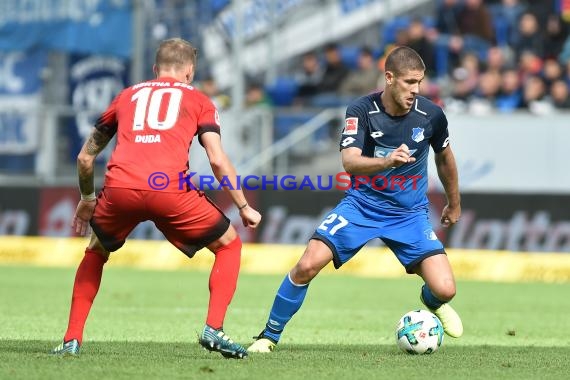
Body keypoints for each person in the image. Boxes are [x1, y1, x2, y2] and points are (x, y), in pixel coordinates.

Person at [51, 38, 261, 359]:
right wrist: (244, 206)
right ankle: (214, 329)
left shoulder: (125, 96)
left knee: (96, 250)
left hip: (120, 188)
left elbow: (84, 159)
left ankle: (71, 340)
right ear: (189, 72)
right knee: (229, 244)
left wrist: (88, 198)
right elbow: (217, 159)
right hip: (169, 190)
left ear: (154, 69)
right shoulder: (200, 100)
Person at [248, 46, 463, 353]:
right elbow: (349, 161)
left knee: (446, 289)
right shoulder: (361, 110)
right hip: (361, 207)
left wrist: (454, 203)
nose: (416, 90)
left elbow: (445, 158)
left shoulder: (431, 115)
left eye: (420, 82)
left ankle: (431, 302)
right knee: (307, 265)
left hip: (409, 214)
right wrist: (387, 161)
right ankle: (268, 336)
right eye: (409, 82)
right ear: (389, 78)